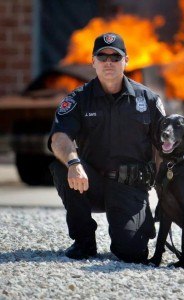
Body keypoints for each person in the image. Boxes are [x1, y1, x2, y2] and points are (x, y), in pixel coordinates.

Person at [48, 32, 166, 263]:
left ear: (126, 61)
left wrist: (165, 190)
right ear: (93, 62)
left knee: (131, 254)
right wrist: (73, 163)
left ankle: (137, 225)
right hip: (92, 183)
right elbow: (59, 138)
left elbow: (165, 147)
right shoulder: (79, 99)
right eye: (102, 57)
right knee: (62, 165)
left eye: (115, 57)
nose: (108, 62)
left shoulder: (148, 100)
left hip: (130, 187)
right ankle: (84, 241)